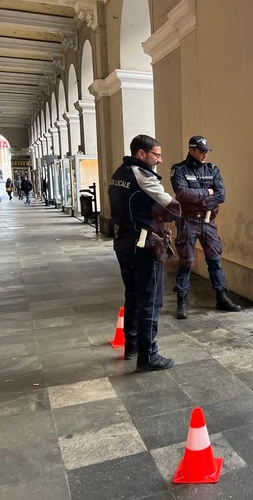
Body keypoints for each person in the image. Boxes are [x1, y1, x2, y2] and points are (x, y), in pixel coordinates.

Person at [109, 134, 181, 372]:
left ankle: (131, 345)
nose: (160, 160)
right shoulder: (143, 177)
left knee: (133, 295)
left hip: (123, 241)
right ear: (141, 154)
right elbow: (173, 208)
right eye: (156, 154)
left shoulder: (119, 173)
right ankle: (148, 356)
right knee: (150, 301)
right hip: (144, 244)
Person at [170, 135, 241, 319]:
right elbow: (182, 194)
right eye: (201, 151)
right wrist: (207, 193)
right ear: (191, 150)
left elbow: (221, 195)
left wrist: (200, 198)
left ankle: (221, 297)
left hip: (208, 221)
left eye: (206, 151)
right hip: (188, 221)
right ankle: (182, 300)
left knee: (215, 259)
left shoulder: (212, 169)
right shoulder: (179, 170)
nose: (204, 155)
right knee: (186, 260)